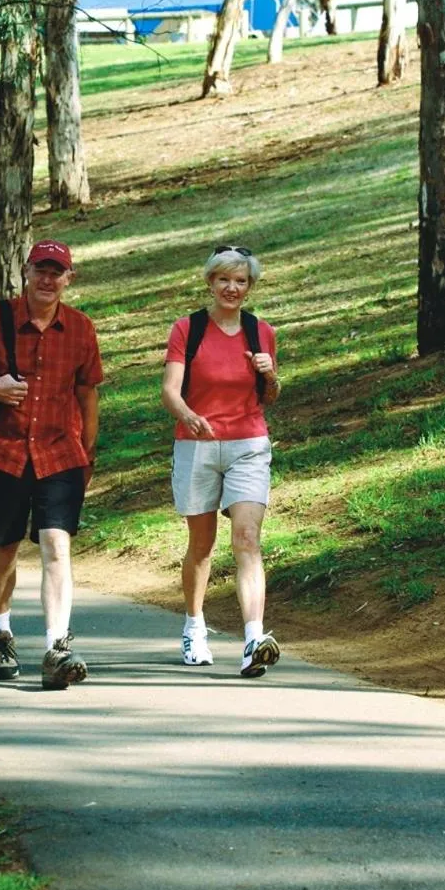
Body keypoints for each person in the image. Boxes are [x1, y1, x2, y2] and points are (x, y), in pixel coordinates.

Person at [0, 240, 103, 690]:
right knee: (5, 546)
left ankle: (57, 647)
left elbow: (88, 393)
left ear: (69, 279)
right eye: (41, 269)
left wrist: (88, 454)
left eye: (58, 272)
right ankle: (0, 633)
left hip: (60, 453)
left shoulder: (80, 328)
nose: (48, 278)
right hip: (3, 452)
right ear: (26, 270)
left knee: (56, 544)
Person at [161, 245, 281, 678]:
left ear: (250, 287)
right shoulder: (187, 329)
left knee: (247, 539)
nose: (232, 288)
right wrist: (189, 417)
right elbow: (170, 390)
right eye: (224, 279)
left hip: (248, 442)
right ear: (210, 282)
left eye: (241, 281)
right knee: (202, 545)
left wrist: (269, 373)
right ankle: (194, 627)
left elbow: (269, 397)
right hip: (196, 444)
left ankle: (253, 640)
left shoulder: (260, 331)